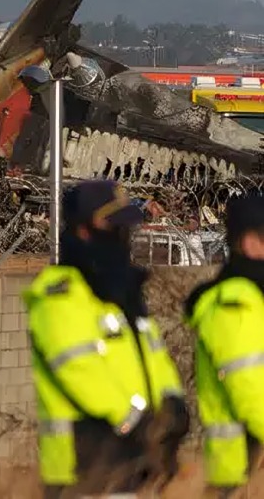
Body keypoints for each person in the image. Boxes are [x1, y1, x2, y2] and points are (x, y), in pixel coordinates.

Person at [22, 179, 189, 498]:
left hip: (127, 458)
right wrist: (134, 418)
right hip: (84, 461)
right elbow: (78, 367)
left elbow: (153, 355)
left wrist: (171, 405)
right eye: (111, 225)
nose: (121, 235)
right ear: (84, 229)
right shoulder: (61, 293)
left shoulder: (121, 292)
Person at [185, 193, 264, 497]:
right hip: (238, 472)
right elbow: (249, 384)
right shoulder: (234, 301)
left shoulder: (254, 295)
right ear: (247, 241)